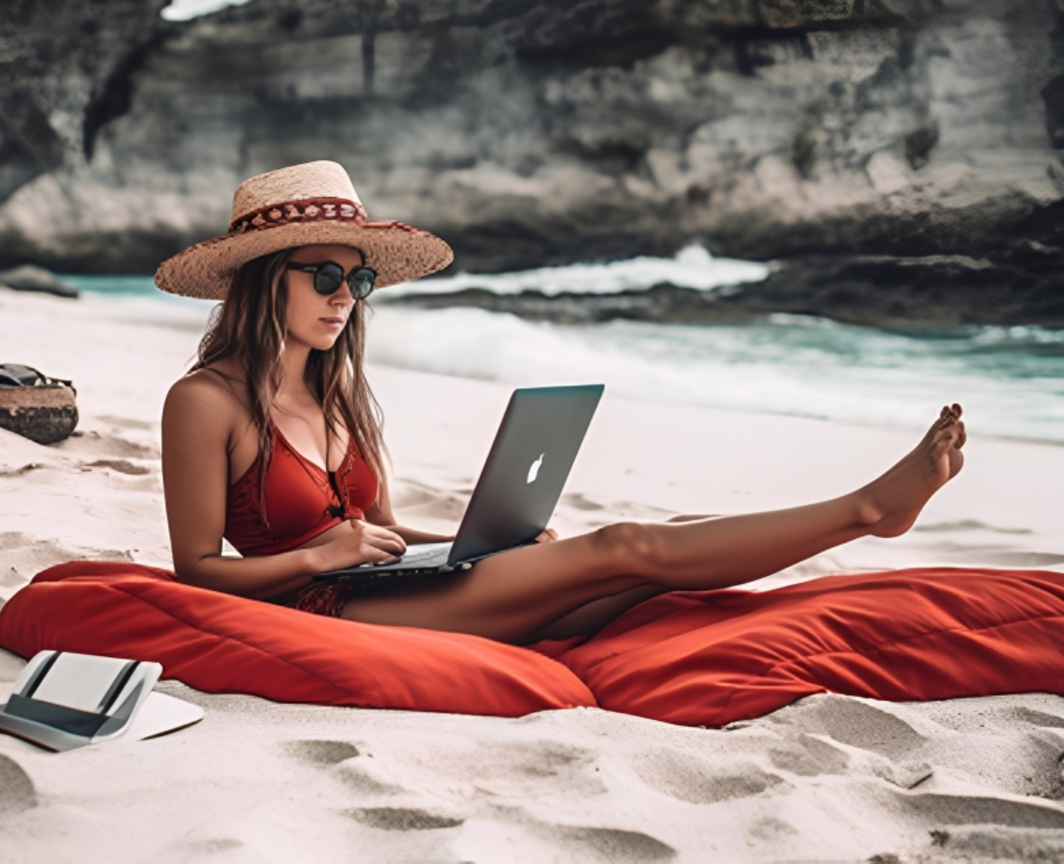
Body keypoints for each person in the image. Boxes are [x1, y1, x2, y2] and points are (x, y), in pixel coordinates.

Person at [156, 161, 966, 645]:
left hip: (392, 588)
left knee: (671, 539)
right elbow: (195, 571)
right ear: (267, 280)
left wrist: (485, 542)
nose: (347, 297)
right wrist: (313, 558)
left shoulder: (337, 392)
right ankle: (867, 510)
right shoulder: (205, 401)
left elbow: (383, 537)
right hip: (323, 608)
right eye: (325, 276)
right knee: (626, 543)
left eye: (359, 280)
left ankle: (866, 513)